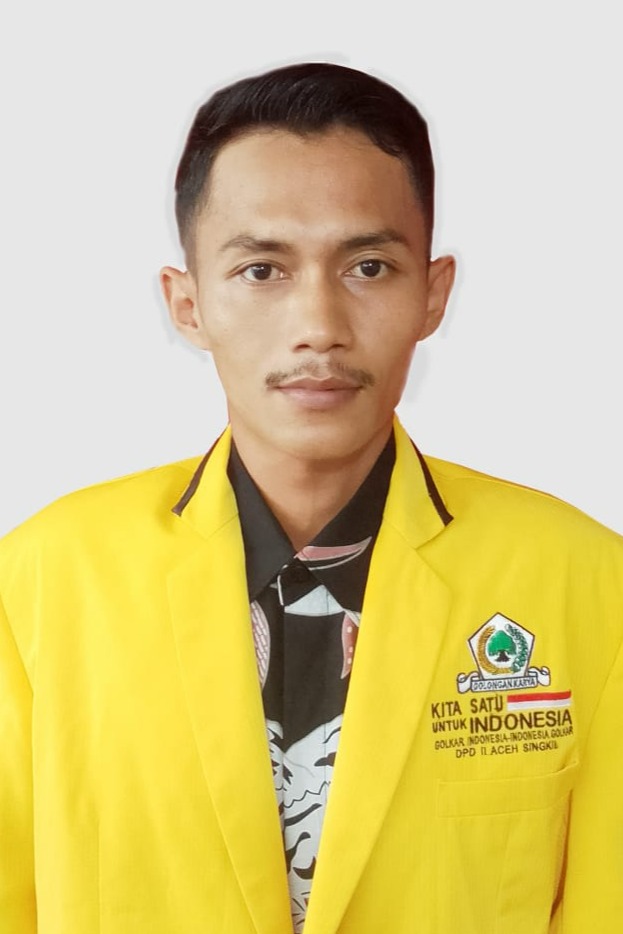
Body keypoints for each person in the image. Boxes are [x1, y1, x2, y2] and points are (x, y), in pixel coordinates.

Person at [1, 61, 621, 934]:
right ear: (188, 304)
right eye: (262, 270)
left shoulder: (585, 583)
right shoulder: (42, 582)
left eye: (367, 266)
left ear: (432, 293)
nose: (318, 326)